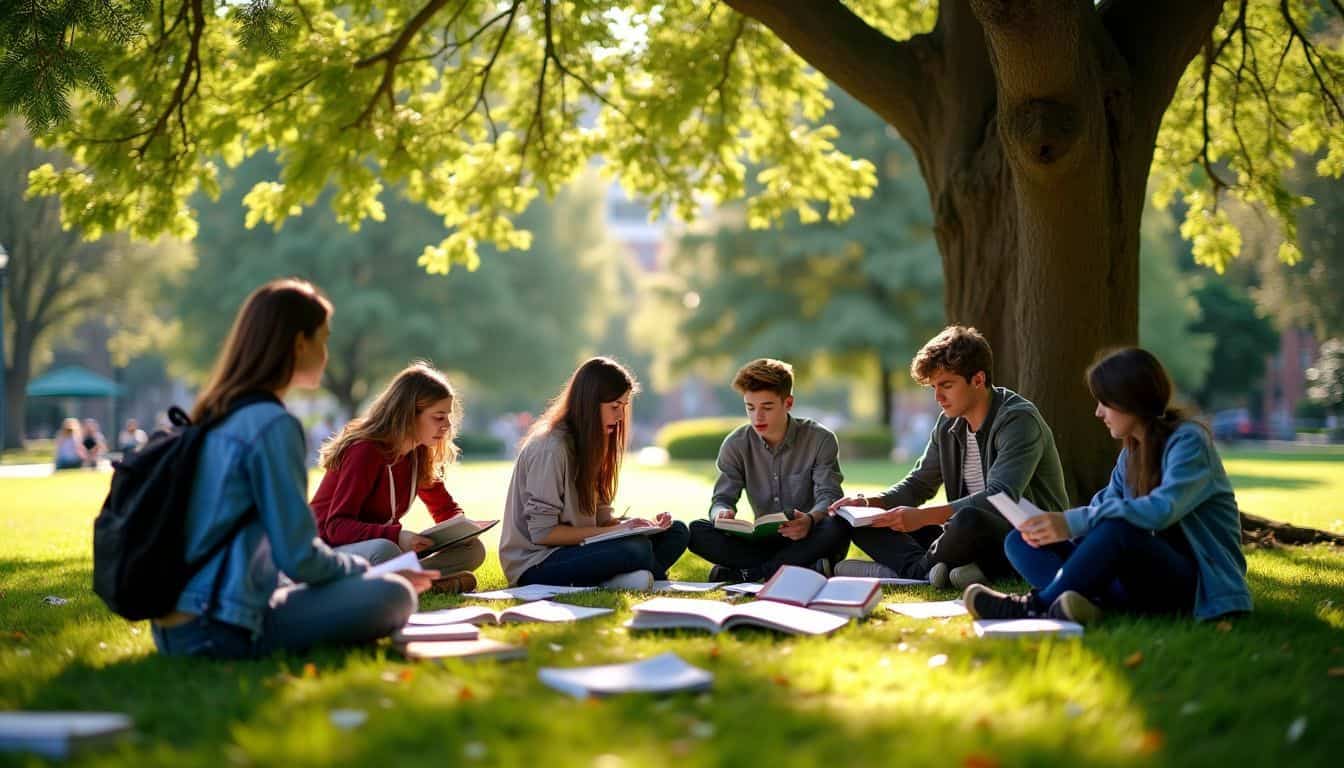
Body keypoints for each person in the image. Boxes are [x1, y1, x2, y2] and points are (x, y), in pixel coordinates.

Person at [150, 278, 435, 659]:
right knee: (394, 595)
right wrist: (369, 573)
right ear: (299, 343)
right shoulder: (272, 425)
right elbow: (299, 556)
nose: (326, 353)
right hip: (218, 626)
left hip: (175, 623)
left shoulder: (218, 412)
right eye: (323, 339)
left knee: (368, 588)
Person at [964, 348, 1252, 624]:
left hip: (1195, 584)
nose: (1098, 413)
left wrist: (1071, 522)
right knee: (1020, 540)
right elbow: (1102, 507)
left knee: (1117, 529)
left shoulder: (1188, 441)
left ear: (1130, 400)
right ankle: (1088, 604)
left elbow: (1162, 510)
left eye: (1105, 402)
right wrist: (1049, 528)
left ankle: (1036, 606)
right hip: (1140, 580)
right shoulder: (1132, 452)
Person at [829, 326, 1069, 588]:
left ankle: (915, 572)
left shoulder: (1017, 420)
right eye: (933, 387)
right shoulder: (948, 425)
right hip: (961, 536)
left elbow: (1000, 496)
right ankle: (944, 571)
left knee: (968, 518)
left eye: (946, 385)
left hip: (1023, 536)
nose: (938, 397)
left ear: (978, 380)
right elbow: (919, 484)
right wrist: (870, 503)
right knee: (866, 521)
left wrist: (922, 516)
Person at [499, 357, 689, 589]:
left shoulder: (593, 443)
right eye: (614, 407)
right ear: (589, 403)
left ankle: (621, 579)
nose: (620, 417)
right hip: (537, 563)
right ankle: (644, 576)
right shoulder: (550, 448)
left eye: (624, 407)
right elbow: (544, 533)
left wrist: (636, 525)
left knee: (677, 532)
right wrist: (621, 532)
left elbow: (599, 521)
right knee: (635, 548)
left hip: (578, 550)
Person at [311, 362, 486, 594]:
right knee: (385, 550)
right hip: (328, 549)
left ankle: (410, 583)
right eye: (438, 417)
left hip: (378, 550)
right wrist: (397, 535)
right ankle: (420, 583)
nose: (448, 425)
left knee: (473, 549)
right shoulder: (365, 450)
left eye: (448, 416)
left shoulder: (418, 452)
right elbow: (336, 527)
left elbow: (444, 508)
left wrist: (463, 528)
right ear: (408, 415)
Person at [687, 358, 849, 582]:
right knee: (697, 531)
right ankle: (801, 569)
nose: (757, 417)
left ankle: (750, 573)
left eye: (767, 407)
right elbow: (722, 499)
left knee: (837, 523)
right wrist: (721, 513)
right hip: (761, 542)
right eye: (750, 408)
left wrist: (810, 520)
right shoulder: (736, 444)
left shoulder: (820, 439)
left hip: (808, 537)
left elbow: (829, 496)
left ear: (788, 403)